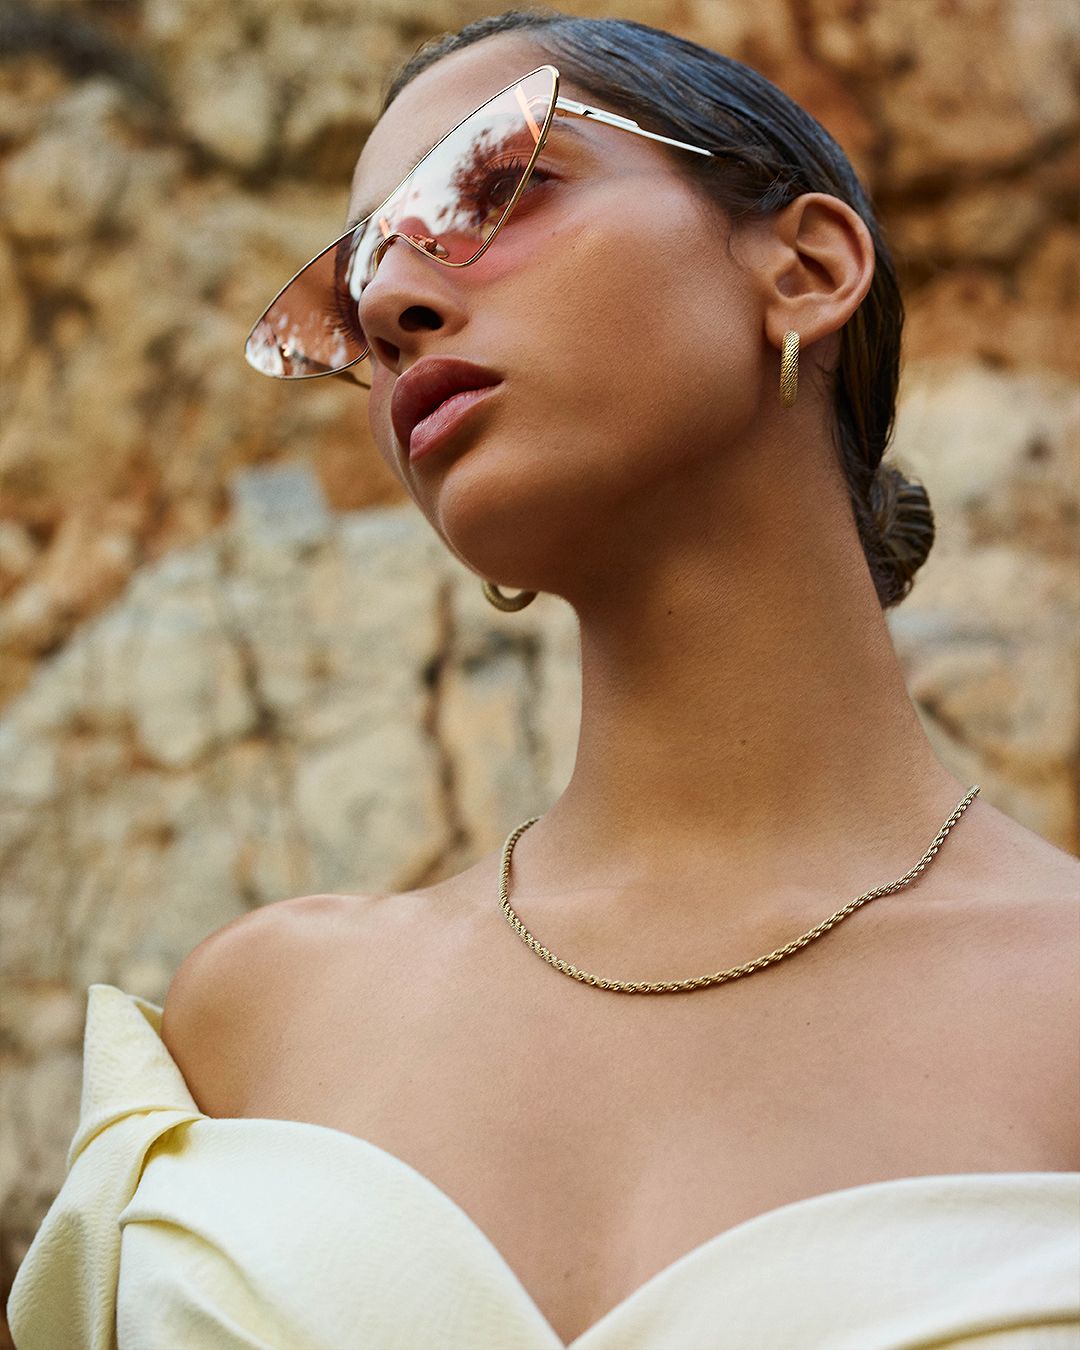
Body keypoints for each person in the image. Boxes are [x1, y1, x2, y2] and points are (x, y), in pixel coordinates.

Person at [8, 7, 1079, 1348]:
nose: (394, 307)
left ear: (805, 267)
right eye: (354, 296)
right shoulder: (253, 1029)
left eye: (491, 183)